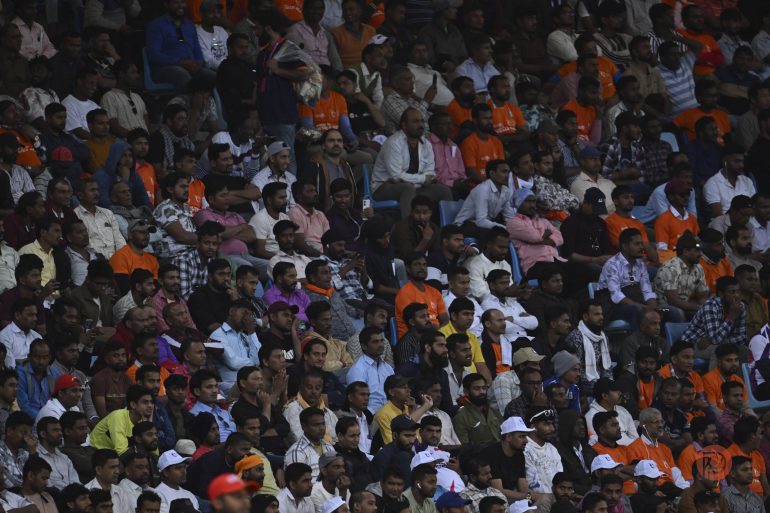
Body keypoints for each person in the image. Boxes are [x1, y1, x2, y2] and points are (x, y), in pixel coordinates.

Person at [371, 107, 452, 218]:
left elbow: (430, 173)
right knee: (407, 188)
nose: (421, 125)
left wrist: (424, 180)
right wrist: (423, 179)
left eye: (422, 121)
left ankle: (445, 229)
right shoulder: (393, 143)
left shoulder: (426, 144)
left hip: (415, 187)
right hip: (384, 188)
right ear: (404, 125)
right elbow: (396, 177)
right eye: (415, 121)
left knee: (443, 191)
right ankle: (409, 229)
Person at [507, 188, 565, 274]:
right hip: (535, 265)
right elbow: (535, 237)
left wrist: (540, 240)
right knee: (560, 275)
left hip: (554, 260)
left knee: (580, 270)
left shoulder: (543, 221)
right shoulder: (513, 223)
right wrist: (545, 236)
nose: (532, 205)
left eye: (534, 202)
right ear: (519, 203)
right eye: (528, 201)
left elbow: (560, 239)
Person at [90, 385, 154, 455]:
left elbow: (152, 447)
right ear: (133, 405)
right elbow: (122, 452)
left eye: (151, 402)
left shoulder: (143, 420)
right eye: (145, 402)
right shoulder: (118, 417)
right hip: (94, 453)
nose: (150, 405)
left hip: (113, 457)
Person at [73, 178, 125, 259]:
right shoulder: (75, 215)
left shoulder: (108, 213)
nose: (96, 193)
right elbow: (87, 245)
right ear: (80, 195)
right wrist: (110, 258)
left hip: (117, 258)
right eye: (92, 190)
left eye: (97, 190)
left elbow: (119, 239)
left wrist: (120, 257)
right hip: (94, 260)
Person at [391, 196, 440, 260]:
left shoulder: (434, 228)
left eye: (425, 213)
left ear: (430, 213)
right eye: (417, 212)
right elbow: (408, 258)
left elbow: (435, 254)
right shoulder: (402, 227)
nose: (421, 217)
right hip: (400, 263)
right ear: (411, 212)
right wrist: (425, 239)